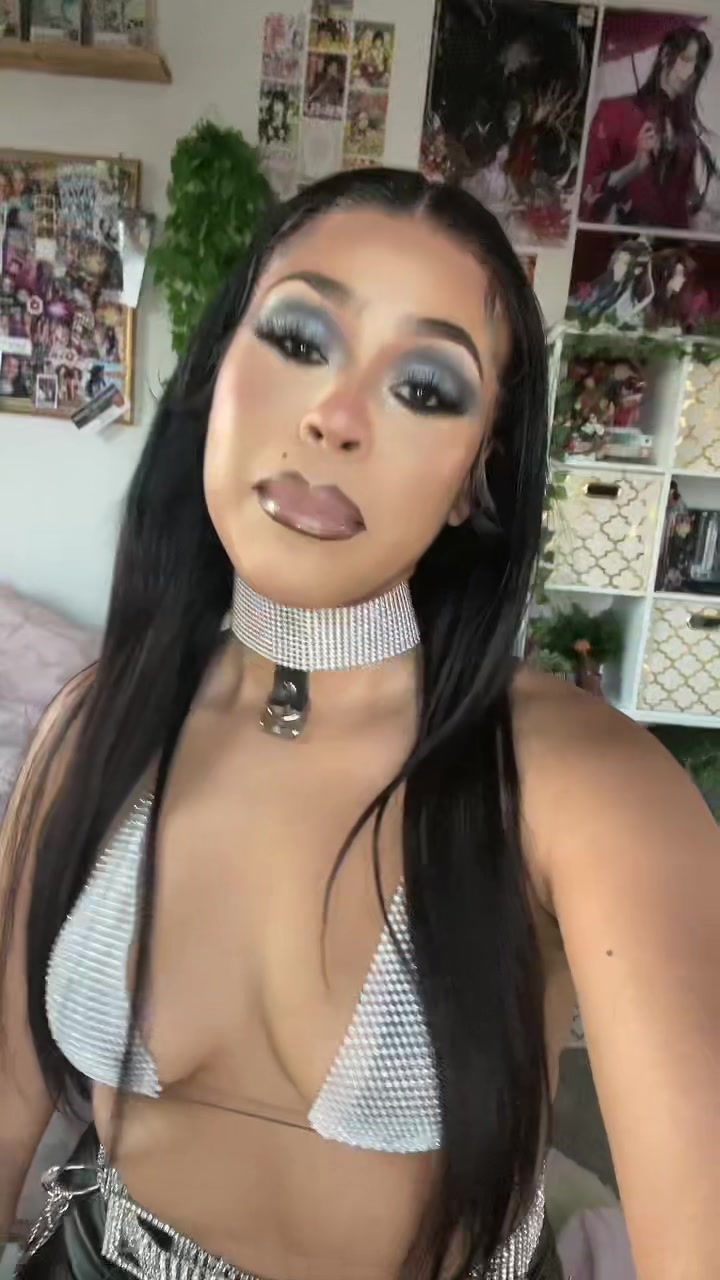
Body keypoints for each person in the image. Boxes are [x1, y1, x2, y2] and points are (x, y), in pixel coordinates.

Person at [0, 168, 718, 1280]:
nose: (334, 418)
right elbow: (8, 1093)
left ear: (475, 477)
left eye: (425, 388)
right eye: (299, 338)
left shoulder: (583, 787)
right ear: (216, 373)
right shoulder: (96, 728)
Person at [581, 25, 715, 228]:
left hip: (673, 241)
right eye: (686, 60)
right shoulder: (614, 112)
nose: (690, 73)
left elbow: (687, 201)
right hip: (622, 236)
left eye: (697, 67)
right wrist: (634, 167)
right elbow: (586, 193)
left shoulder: (686, 132)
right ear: (665, 55)